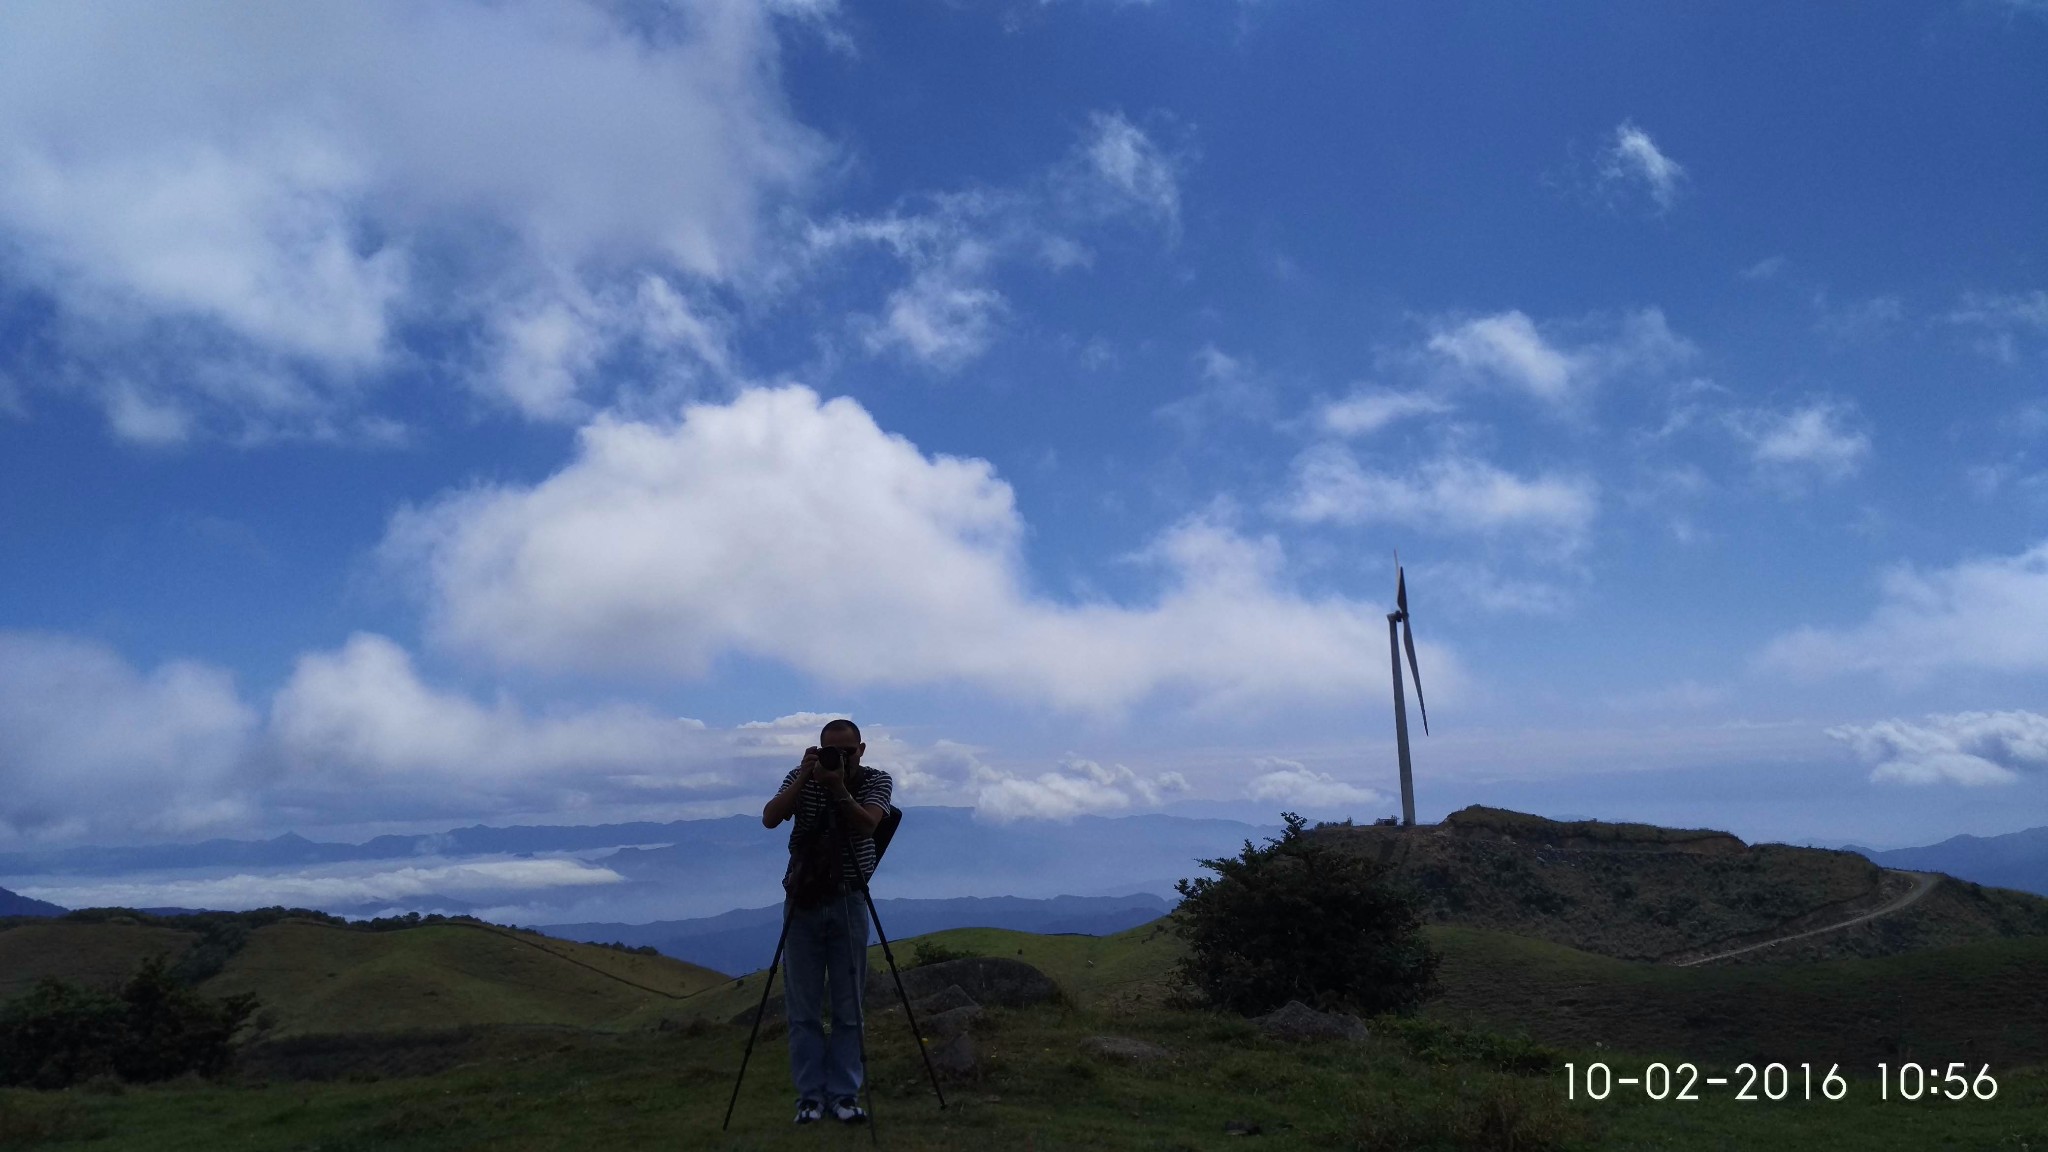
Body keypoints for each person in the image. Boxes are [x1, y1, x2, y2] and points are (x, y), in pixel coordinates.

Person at [761, 717, 893, 1126]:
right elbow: (770, 817)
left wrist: (838, 789)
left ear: (861, 749)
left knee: (848, 1006)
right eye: (830, 750)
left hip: (849, 898)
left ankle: (844, 1095)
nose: (841, 756)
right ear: (817, 750)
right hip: (803, 900)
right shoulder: (802, 777)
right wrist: (804, 777)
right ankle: (810, 1098)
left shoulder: (876, 780)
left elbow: (870, 823)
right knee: (802, 1007)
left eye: (848, 750)